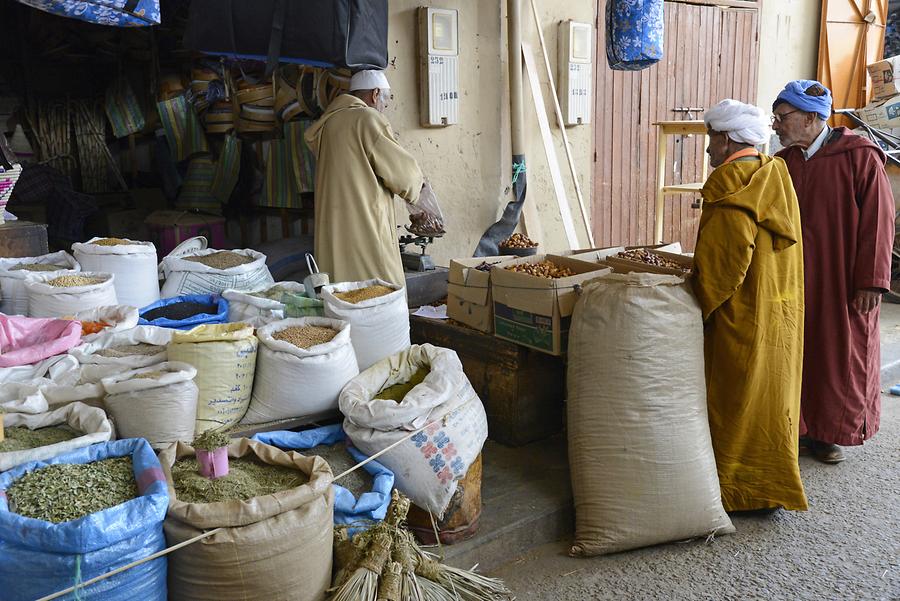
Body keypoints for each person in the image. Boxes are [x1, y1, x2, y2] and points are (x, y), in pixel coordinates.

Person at [692, 99, 808, 512]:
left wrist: (694, 308)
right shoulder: (773, 173)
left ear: (726, 140)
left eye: (710, 141)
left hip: (741, 316)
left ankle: (739, 492)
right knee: (771, 402)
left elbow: (723, 269)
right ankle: (770, 486)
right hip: (780, 310)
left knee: (735, 402)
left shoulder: (731, 183)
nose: (707, 151)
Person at [772, 80, 895, 464]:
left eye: (783, 117)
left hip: (842, 277)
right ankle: (797, 429)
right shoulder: (784, 163)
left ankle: (829, 434)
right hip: (793, 277)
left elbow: (880, 222)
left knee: (838, 357)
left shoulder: (859, 156)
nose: (776, 125)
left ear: (811, 118)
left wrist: (872, 281)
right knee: (796, 352)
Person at [305, 69, 426, 286]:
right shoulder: (367, 119)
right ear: (375, 94)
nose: (384, 108)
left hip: (334, 230)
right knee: (380, 293)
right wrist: (420, 190)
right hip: (366, 227)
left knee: (341, 294)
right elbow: (404, 175)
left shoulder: (329, 124)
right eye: (385, 101)